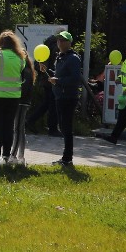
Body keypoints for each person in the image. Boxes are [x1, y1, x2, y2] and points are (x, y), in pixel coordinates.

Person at [0, 30, 34, 165]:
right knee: (8, 127)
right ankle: (6, 156)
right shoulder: (20, 58)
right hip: (14, 97)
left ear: (0, 42)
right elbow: (22, 77)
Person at [49, 31, 83, 165]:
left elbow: (75, 79)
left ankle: (67, 158)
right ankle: (66, 158)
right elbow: (60, 74)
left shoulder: (73, 58)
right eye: (58, 40)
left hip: (68, 97)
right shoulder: (60, 57)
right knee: (63, 127)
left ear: (69, 43)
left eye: (63, 40)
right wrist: (49, 72)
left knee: (66, 128)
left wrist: (58, 81)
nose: (60, 42)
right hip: (60, 96)